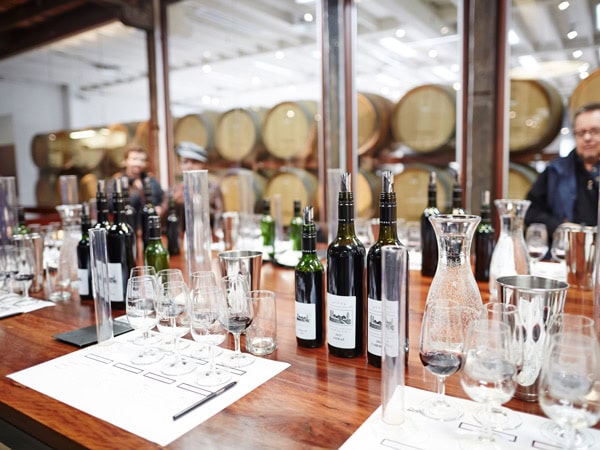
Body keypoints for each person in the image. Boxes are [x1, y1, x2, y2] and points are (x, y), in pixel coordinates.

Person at [525, 102, 600, 249]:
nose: (586, 138)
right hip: (566, 255)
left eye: (594, 131)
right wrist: (560, 227)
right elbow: (531, 212)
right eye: (580, 132)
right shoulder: (556, 170)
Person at [172, 141, 224, 235]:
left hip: (207, 236)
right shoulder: (176, 189)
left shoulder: (213, 187)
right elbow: (165, 220)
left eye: (194, 162)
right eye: (185, 162)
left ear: (202, 164)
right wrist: (173, 203)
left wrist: (198, 202)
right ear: (180, 165)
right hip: (183, 237)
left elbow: (219, 217)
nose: (189, 166)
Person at [112, 144, 165, 231]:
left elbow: (163, 197)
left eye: (142, 160)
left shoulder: (151, 181)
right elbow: (111, 205)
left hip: (150, 230)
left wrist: (161, 208)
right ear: (125, 161)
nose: (138, 163)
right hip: (129, 230)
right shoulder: (118, 182)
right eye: (134, 159)